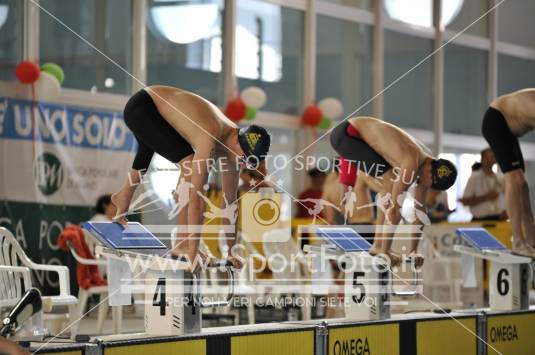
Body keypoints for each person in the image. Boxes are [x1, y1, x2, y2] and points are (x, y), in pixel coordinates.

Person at [110, 86, 271, 266]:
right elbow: (196, 198)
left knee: (158, 154)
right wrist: (193, 253)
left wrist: (232, 252)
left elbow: (230, 204)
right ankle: (182, 244)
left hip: (159, 113)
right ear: (237, 142)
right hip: (144, 107)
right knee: (189, 166)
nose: (243, 165)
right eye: (244, 159)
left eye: (248, 163)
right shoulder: (211, 134)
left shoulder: (233, 149)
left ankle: (123, 197)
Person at [330, 116, 458, 266]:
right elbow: (395, 210)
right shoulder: (412, 162)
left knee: (389, 183)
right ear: (430, 171)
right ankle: (379, 246)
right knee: (390, 182)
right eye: (431, 184)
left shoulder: (426, 166)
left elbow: (420, 212)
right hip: (348, 134)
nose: (427, 188)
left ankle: (379, 246)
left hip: (356, 136)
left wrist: (413, 251)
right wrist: (385, 252)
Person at [482, 89, 535, 256]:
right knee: (515, 179)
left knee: (523, 185)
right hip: (496, 120)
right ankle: (518, 242)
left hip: (510, 130)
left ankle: (532, 240)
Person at [322, 167, 381, 244]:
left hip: (350, 229)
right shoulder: (359, 176)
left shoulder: (329, 188)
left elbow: (330, 220)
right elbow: (382, 189)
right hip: (366, 226)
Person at [459, 148, 504, 221]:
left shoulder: (500, 178)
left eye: (492, 157)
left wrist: (506, 211)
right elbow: (465, 201)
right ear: (482, 159)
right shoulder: (474, 177)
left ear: (495, 159)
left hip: (497, 218)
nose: (489, 160)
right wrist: (486, 197)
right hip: (479, 220)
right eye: (486, 157)